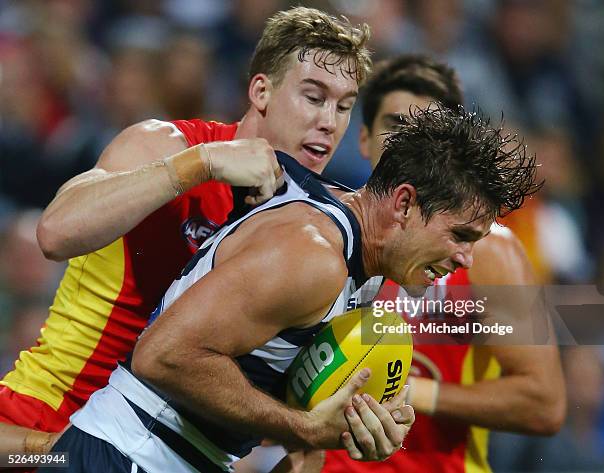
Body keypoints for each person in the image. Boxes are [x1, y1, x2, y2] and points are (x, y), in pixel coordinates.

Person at [41, 105, 540, 473]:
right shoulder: (312, 256)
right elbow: (162, 356)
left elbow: (296, 448)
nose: (465, 259)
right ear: (405, 203)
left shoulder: (360, 269)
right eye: (460, 235)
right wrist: (302, 427)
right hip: (121, 454)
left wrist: (341, 435)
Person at [0, 6, 375, 458]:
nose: (330, 122)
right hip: (42, 426)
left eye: (344, 106)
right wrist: (199, 166)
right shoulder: (172, 146)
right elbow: (54, 233)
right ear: (261, 90)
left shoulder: (314, 235)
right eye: (314, 98)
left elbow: (275, 418)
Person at [323, 55, 566, 473]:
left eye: (426, 132)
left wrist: (405, 389)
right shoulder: (326, 232)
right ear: (363, 138)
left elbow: (544, 403)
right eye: (396, 126)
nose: (406, 144)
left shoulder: (487, 253)